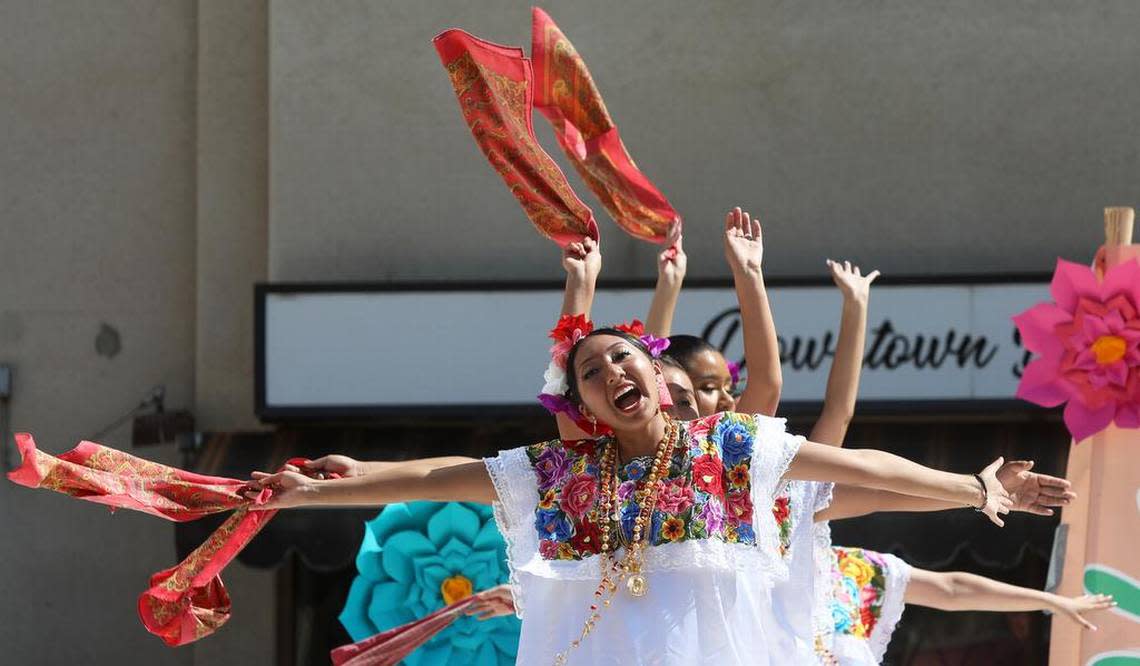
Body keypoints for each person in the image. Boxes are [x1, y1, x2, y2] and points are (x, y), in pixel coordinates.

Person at [246, 324, 1012, 666]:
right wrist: (312, 491)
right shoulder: (562, 473)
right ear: (584, 404)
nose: (610, 371)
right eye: (589, 371)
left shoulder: (732, 448)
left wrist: (974, 487)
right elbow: (432, 474)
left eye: (621, 356)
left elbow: (863, 468)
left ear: (653, 371)